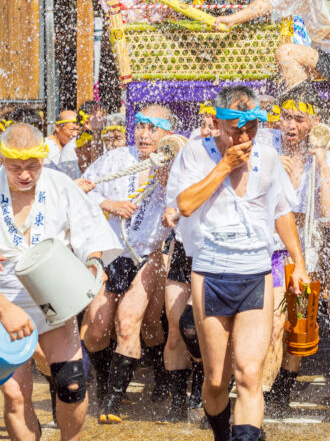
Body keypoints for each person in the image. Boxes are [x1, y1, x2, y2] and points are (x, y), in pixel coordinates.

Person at [166, 94, 309, 441]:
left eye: (252, 129)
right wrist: (225, 165)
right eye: (236, 130)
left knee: (248, 373)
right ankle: (221, 435)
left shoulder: (269, 156)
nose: (245, 138)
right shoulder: (196, 153)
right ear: (218, 124)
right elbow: (184, 204)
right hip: (211, 272)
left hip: (255, 272)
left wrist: (299, 264)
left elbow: (280, 211)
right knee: (216, 378)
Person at [0, 122, 120, 441]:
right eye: (16, 167)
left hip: (52, 298)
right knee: (16, 394)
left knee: (71, 385)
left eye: (32, 166)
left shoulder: (58, 184)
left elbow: (90, 230)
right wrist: (4, 310)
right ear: (2, 161)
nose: (25, 175)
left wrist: (93, 262)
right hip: (4, 305)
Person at [81, 104, 176, 423]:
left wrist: (170, 199)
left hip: (147, 256)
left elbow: (188, 201)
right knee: (95, 329)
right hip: (110, 254)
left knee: (133, 322)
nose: (144, 134)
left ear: (166, 134)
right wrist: (108, 203)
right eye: (141, 126)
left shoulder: (174, 166)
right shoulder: (116, 158)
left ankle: (113, 403)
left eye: (153, 128)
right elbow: (80, 189)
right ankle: (107, 385)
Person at [266, 85, 330, 414]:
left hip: (309, 253)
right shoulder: (266, 148)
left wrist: (322, 164)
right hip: (272, 251)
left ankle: (280, 396)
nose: (290, 126)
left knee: (298, 329)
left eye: (299, 119)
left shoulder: (328, 159)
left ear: (314, 122)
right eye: (286, 117)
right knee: (272, 323)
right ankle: (260, 393)